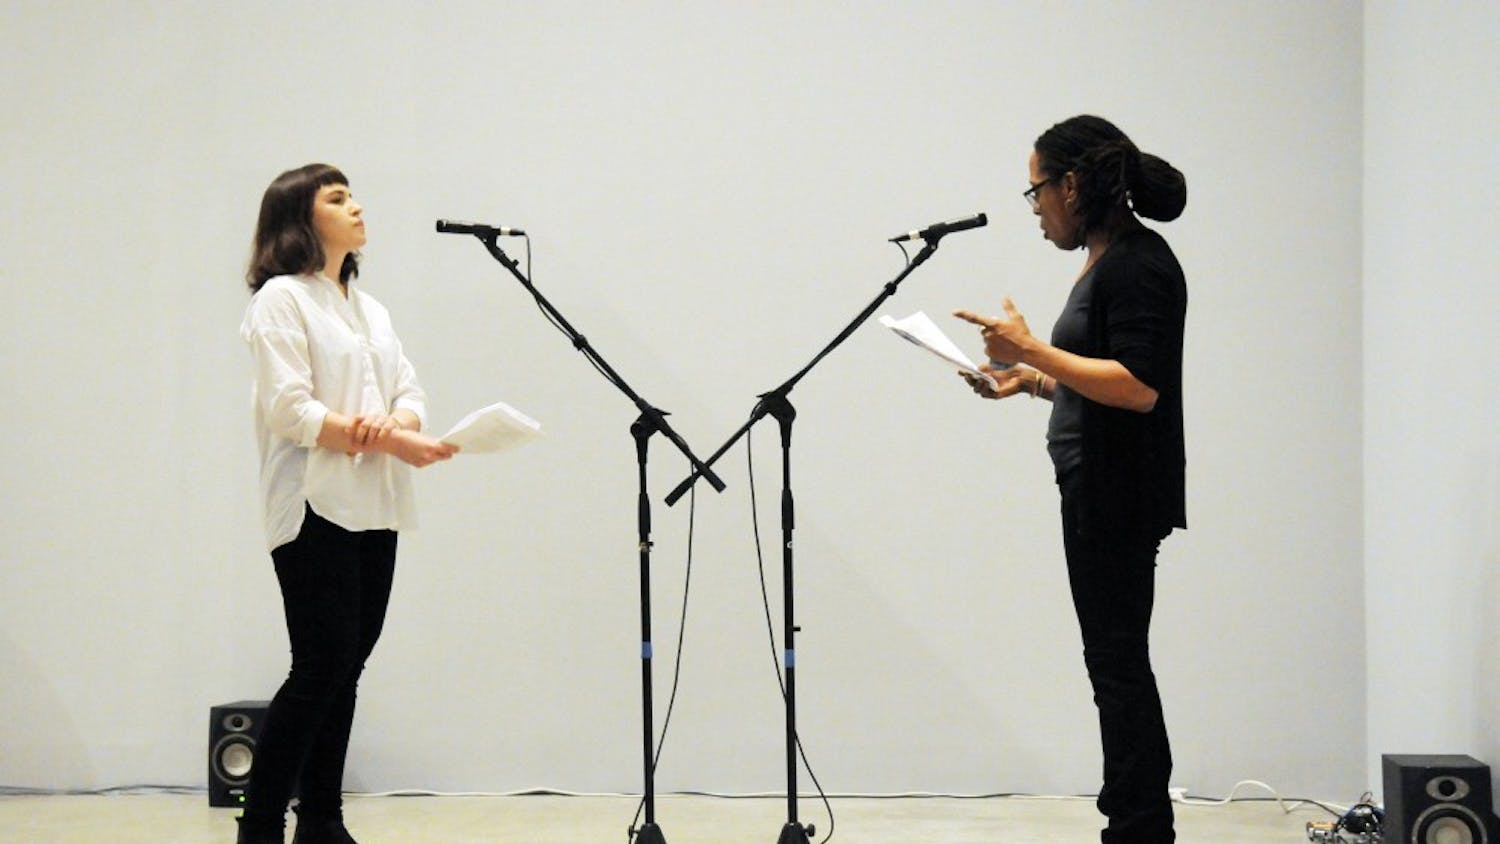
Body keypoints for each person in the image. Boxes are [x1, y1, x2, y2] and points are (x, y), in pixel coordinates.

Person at [954, 115, 1188, 844]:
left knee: (1118, 666)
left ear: (1072, 183)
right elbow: (1100, 385)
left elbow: (1139, 387)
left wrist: (1030, 348)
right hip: (1096, 486)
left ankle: (1140, 827)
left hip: (1119, 492)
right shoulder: (1107, 259)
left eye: (1035, 191)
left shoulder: (1138, 264)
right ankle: (1132, 818)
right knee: (1110, 661)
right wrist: (1026, 379)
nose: (1034, 209)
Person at [236, 163, 458, 844]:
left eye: (353, 195)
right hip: (313, 505)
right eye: (337, 199)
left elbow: (409, 391)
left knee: (347, 668)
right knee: (320, 664)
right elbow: (289, 408)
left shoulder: (370, 309)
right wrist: (364, 433)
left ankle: (322, 820)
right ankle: (262, 824)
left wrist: (400, 427)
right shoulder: (281, 299)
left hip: (376, 504)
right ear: (301, 221)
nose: (357, 207)